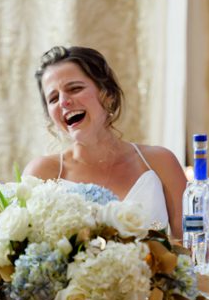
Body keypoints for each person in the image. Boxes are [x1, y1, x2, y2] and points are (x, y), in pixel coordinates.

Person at [24, 45, 187, 234]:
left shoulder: (160, 162)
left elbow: (191, 246)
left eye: (75, 88)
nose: (63, 102)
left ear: (107, 94)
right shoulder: (42, 174)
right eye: (53, 98)